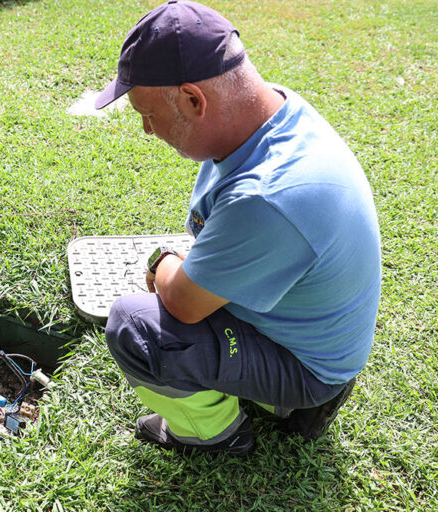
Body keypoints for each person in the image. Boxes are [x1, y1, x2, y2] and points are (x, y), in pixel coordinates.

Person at [96, 0, 381, 456]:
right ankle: (277, 399)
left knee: (134, 327)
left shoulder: (267, 197)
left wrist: (162, 261)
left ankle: (217, 434)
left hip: (308, 368)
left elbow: (183, 304)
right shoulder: (273, 113)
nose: (148, 129)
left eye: (146, 113)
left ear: (193, 99)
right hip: (313, 334)